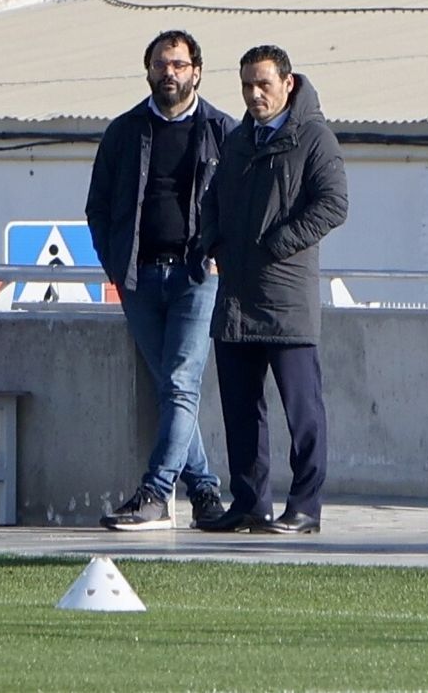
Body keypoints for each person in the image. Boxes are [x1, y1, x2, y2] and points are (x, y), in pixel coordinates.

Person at [85, 29, 238, 530]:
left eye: (178, 64)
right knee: (172, 389)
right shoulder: (125, 132)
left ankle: (154, 494)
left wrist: (223, 256)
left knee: (179, 384)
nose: (168, 73)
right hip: (138, 279)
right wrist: (114, 265)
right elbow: (98, 207)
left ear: (197, 71)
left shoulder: (223, 131)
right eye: (160, 65)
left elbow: (243, 208)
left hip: (198, 278)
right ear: (148, 71)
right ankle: (206, 492)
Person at [198, 45, 348, 535]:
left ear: (288, 83)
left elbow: (333, 204)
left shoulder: (315, 139)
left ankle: (305, 507)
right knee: (241, 413)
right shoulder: (239, 139)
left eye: (263, 83)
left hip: (287, 302)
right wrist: (213, 241)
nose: (254, 94)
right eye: (247, 85)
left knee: (303, 414)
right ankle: (249, 504)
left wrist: (279, 243)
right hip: (236, 302)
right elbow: (212, 199)